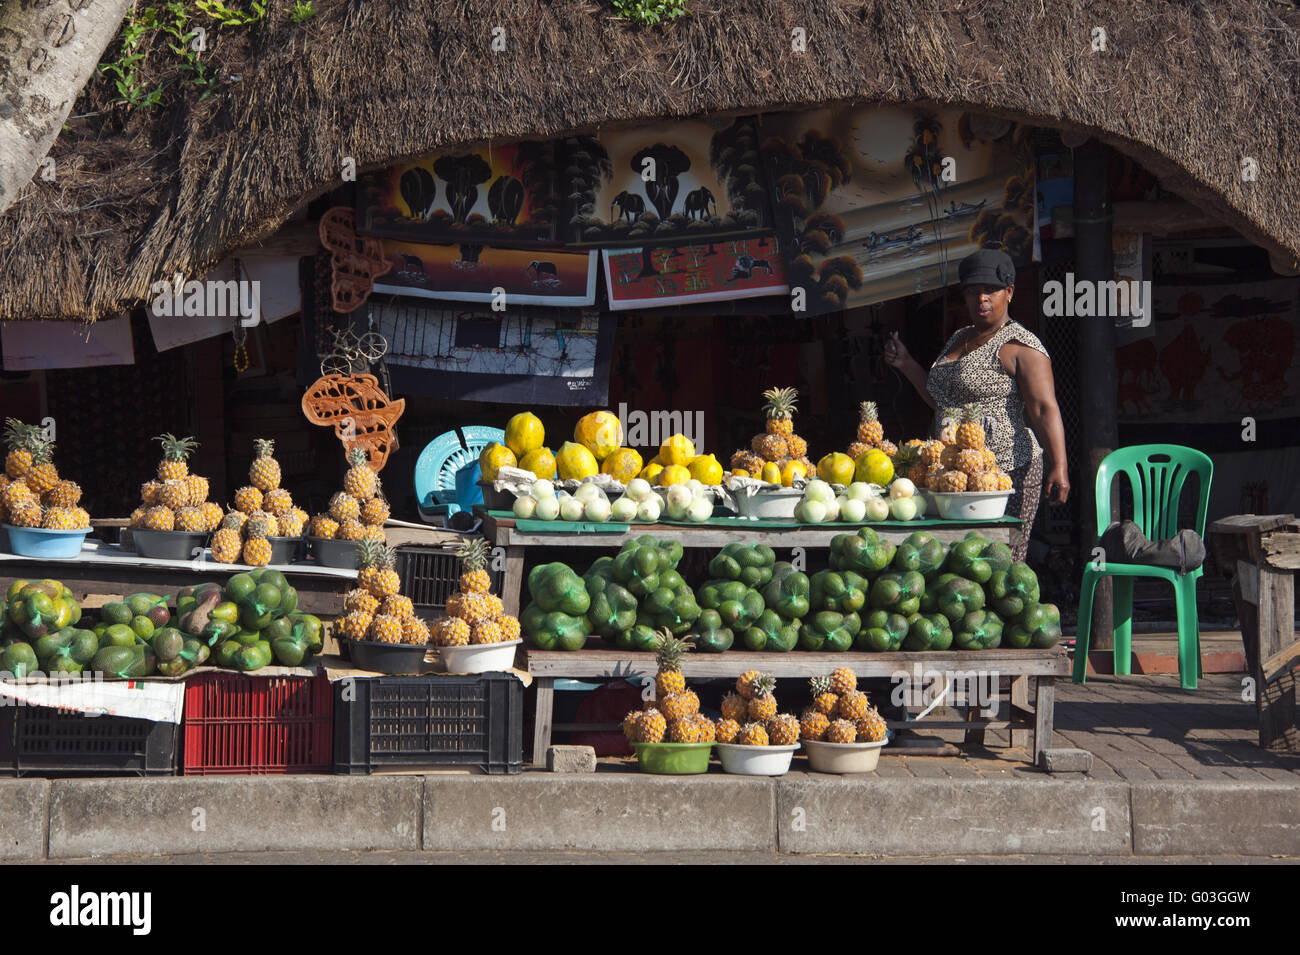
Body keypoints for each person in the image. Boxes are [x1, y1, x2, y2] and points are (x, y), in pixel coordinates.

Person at [884, 248, 1069, 559]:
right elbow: (941, 401)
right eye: (972, 292)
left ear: (1009, 292)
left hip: (1004, 472)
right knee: (956, 566)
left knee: (999, 564)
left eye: (990, 290)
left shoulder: (1020, 346)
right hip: (952, 473)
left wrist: (1060, 465)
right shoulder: (959, 337)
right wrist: (906, 364)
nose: (980, 299)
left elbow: (1043, 409)